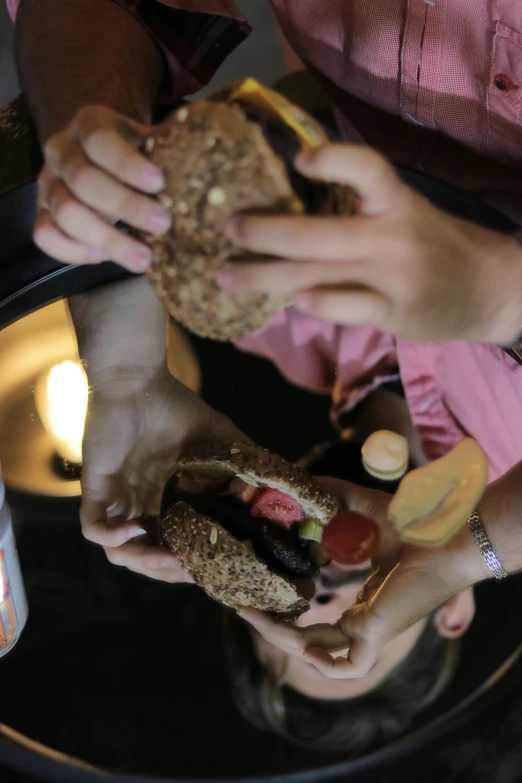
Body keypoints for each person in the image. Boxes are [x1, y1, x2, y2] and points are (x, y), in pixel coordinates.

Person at [8, 0, 522, 678]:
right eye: (351, 624)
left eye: (280, 616)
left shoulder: (273, 326)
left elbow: (141, 84)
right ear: (451, 611)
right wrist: (502, 296)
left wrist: (128, 366)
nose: (324, 601)